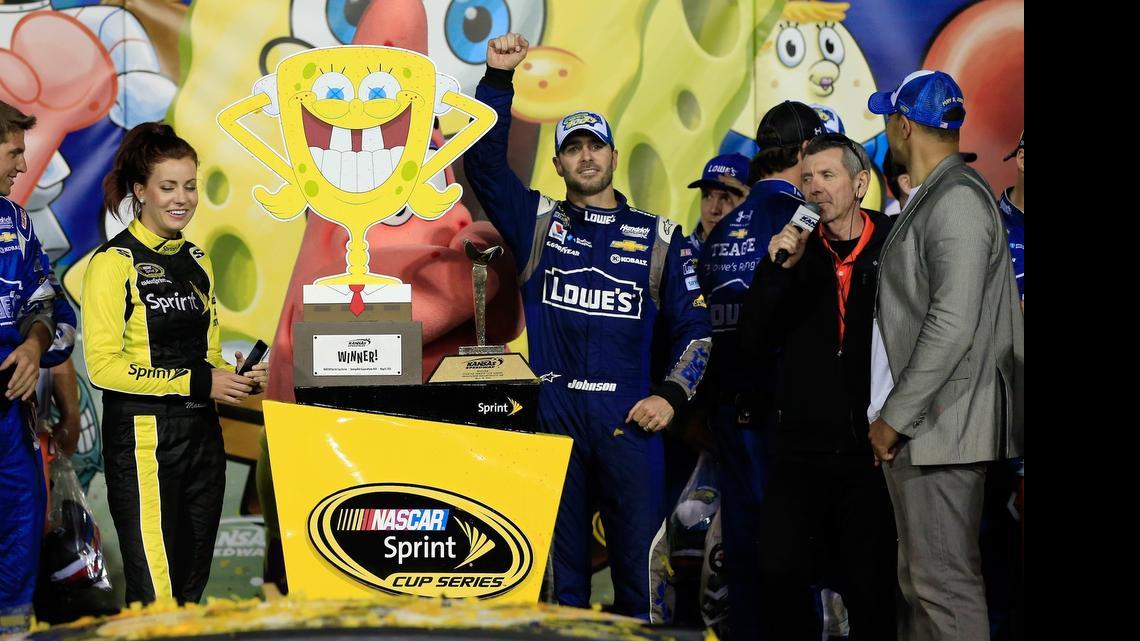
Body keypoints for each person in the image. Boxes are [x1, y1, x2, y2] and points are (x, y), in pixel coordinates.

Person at [464, 33, 711, 622]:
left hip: (632, 426)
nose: (586, 157)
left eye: (595, 146)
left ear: (613, 155)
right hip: (554, 423)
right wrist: (499, 80)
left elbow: (697, 332)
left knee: (641, 581)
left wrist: (672, 396)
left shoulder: (660, 236)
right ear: (558, 164)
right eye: (572, 149)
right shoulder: (537, 223)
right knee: (561, 585)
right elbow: (485, 167)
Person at [81, 122, 268, 606]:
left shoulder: (197, 259)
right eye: (168, 187)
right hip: (144, 441)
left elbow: (207, 359)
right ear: (141, 191)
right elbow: (102, 368)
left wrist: (237, 380)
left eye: (189, 185)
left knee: (190, 589)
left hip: (204, 438)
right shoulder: (113, 262)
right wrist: (199, 381)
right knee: (157, 596)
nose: (181, 198)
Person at [866, 70, 1024, 641]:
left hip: (941, 427)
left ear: (904, 125)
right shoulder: (942, 194)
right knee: (923, 584)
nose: (888, 128)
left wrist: (894, 418)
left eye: (889, 118)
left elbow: (951, 325)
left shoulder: (955, 201)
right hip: (935, 425)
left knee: (944, 588)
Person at [743, 133, 896, 639]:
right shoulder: (794, 252)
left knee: (871, 588)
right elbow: (754, 339)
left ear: (859, 183)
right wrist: (776, 269)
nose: (813, 188)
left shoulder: (894, 242)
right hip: (800, 449)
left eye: (827, 176)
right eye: (806, 178)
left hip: (870, 450)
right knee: (779, 574)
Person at [694, 99, 824, 641]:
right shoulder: (804, 222)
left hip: (729, 412)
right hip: (787, 416)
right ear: (802, 152)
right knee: (794, 562)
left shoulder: (720, 230)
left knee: (744, 557)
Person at [0, 101, 75, 634]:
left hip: (9, 412)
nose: (23, 167)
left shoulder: (18, 224)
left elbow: (51, 304)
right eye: (12, 153)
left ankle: (13, 627)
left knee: (21, 521)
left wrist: (34, 343)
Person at [684, 153, 750, 255]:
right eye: (707, 196)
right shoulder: (674, 255)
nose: (714, 210)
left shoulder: (767, 255)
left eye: (726, 198)